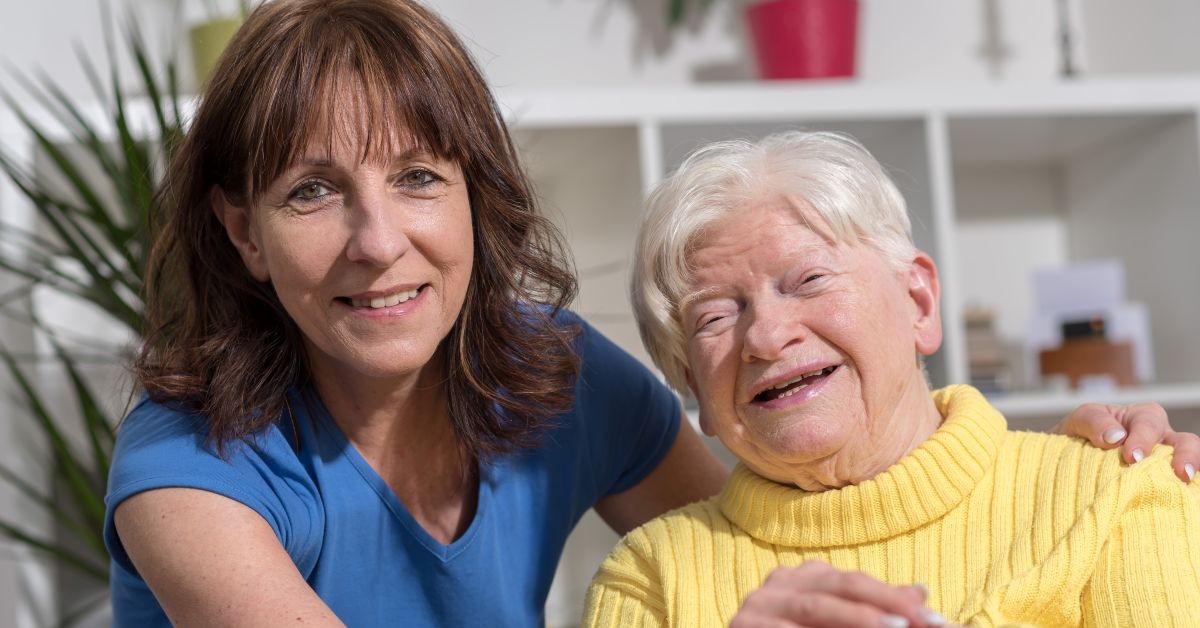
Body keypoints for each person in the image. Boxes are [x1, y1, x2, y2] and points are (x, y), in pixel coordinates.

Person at [101, 1, 1197, 626]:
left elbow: (785, 518)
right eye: (310, 191)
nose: (379, 240)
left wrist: (1056, 470)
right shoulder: (190, 461)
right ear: (242, 232)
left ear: (477, 196)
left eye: (420, 178)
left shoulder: (554, 376)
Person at [583, 131, 1200, 627]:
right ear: (694, 388)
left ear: (919, 303)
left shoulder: (1118, 496)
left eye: (808, 280)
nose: (767, 336)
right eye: (716, 315)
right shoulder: (649, 579)